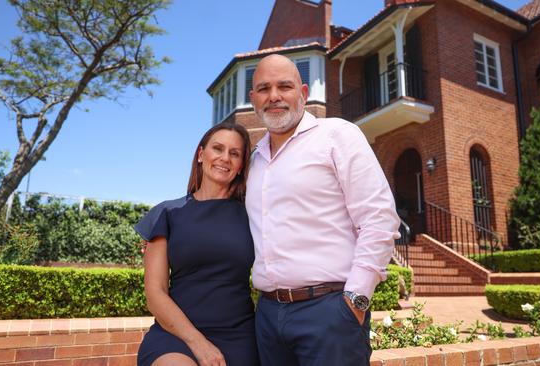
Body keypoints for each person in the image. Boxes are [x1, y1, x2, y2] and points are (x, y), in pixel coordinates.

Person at [246, 54, 400, 365]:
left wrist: (355, 302)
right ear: (253, 100)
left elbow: (379, 218)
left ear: (303, 93)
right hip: (267, 315)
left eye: (284, 86)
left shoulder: (337, 135)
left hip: (329, 312)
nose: (274, 96)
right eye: (264, 88)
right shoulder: (254, 160)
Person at [135, 123, 259, 366]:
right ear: (201, 155)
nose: (225, 158)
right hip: (176, 335)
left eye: (234, 154)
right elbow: (155, 291)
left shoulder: (253, 215)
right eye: (218, 149)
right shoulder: (167, 213)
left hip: (240, 335)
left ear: (241, 166)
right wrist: (198, 342)